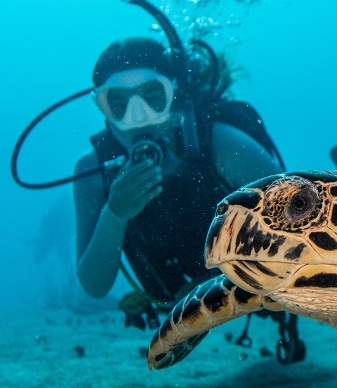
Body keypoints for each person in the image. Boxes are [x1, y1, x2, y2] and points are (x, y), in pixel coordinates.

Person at [70, 35, 299, 351]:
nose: (138, 118)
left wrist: (225, 285)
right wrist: (114, 214)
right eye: (119, 104)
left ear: (173, 93)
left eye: (153, 96)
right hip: (172, 297)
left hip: (256, 288)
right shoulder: (93, 174)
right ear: (102, 107)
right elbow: (94, 285)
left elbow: (302, 234)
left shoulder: (223, 145)